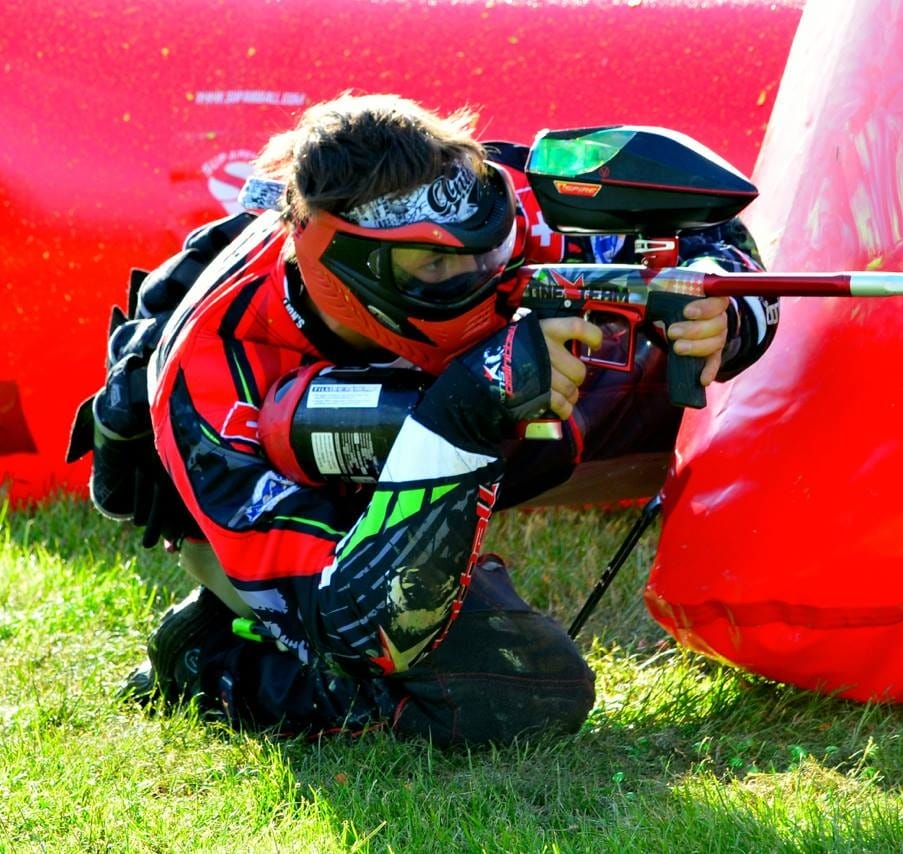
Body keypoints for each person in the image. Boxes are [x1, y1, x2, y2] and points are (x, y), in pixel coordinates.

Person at [127, 93, 778, 744]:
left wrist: (716, 309)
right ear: (344, 267)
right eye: (437, 266)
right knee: (517, 690)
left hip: (441, 426)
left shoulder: (481, 195)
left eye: (489, 250)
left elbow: (710, 238)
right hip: (260, 508)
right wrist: (468, 403)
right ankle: (210, 656)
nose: (485, 278)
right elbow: (352, 626)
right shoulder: (212, 373)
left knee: (630, 349)